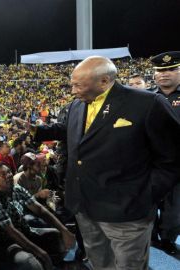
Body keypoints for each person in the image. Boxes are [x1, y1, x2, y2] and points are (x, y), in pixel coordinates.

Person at [17, 56, 180, 269]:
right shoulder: (77, 104)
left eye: (78, 84)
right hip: (85, 207)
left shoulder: (147, 103)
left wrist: (146, 194)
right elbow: (73, 130)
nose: (72, 90)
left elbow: (172, 157)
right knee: (100, 263)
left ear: (104, 81)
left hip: (126, 211)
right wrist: (37, 130)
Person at [0, 163, 75, 270]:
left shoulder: (16, 189)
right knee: (29, 262)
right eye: (3, 174)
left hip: (24, 230)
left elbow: (39, 209)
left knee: (56, 235)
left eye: (9, 172)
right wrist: (41, 253)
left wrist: (64, 230)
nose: (8, 175)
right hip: (7, 242)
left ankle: (58, 265)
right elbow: (11, 231)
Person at [150, 51, 180, 255]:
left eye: (171, 69)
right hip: (151, 161)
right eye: (160, 70)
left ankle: (168, 238)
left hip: (178, 162)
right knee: (147, 201)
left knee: (175, 207)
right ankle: (150, 236)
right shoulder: (146, 97)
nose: (165, 74)